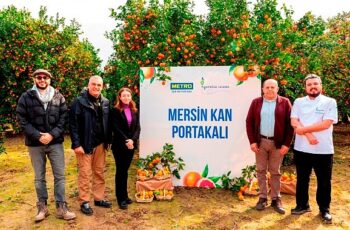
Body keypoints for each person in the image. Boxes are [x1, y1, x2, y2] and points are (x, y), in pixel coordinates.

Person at [16, 69, 76, 222]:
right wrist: (37, 135)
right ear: (35, 79)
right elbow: (22, 119)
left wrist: (52, 134)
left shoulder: (58, 97)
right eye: (39, 77)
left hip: (55, 142)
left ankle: (61, 207)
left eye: (45, 77)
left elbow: (63, 118)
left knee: (60, 176)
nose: (42, 80)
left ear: (50, 79)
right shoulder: (26, 97)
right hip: (35, 144)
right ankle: (42, 207)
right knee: (39, 177)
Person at [290, 74, 337, 224]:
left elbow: (326, 124)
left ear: (321, 85)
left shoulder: (329, 102)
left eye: (315, 84)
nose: (312, 86)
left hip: (323, 149)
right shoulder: (298, 101)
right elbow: (294, 120)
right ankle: (302, 205)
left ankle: (324, 210)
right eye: (309, 84)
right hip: (301, 148)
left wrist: (303, 130)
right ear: (305, 87)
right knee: (302, 179)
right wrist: (309, 135)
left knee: (324, 181)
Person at [246, 79, 294, 214]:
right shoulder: (256, 102)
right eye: (267, 87)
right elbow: (249, 122)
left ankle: (275, 199)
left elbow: (291, 125)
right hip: (260, 142)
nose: (270, 89)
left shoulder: (284, 102)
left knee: (275, 171)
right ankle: (262, 197)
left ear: (277, 89)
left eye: (273, 87)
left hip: (277, 144)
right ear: (263, 89)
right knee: (260, 170)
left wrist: (286, 144)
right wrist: (252, 141)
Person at [69, 75, 112, 215]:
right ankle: (84, 201)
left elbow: (108, 123)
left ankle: (98, 198)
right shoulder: (79, 102)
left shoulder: (105, 102)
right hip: (85, 144)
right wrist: (76, 144)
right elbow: (73, 125)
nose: (96, 87)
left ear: (102, 86)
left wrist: (108, 140)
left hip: (100, 144)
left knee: (99, 172)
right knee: (85, 174)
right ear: (88, 85)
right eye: (93, 84)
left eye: (99, 85)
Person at [110, 87, 141, 210]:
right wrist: (126, 140)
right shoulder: (115, 111)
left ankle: (125, 196)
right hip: (119, 145)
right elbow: (115, 128)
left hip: (131, 145)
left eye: (128, 95)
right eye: (124, 95)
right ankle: (120, 198)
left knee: (126, 171)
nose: (126, 97)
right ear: (120, 97)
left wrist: (132, 140)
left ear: (131, 97)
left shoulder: (135, 110)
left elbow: (138, 128)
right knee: (120, 171)